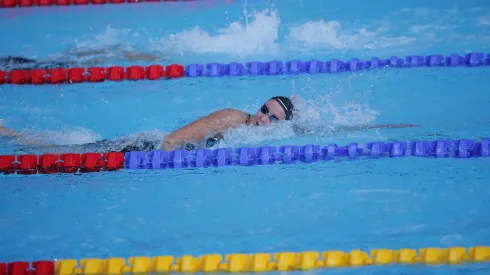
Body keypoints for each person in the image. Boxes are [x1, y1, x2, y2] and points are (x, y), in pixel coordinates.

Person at [1, 96, 417, 153]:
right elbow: (172, 141)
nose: (261, 117)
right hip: (139, 150)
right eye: (262, 109)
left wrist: (396, 126)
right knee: (58, 150)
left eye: (271, 116)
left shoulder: (280, 133)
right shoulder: (233, 120)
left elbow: (330, 133)